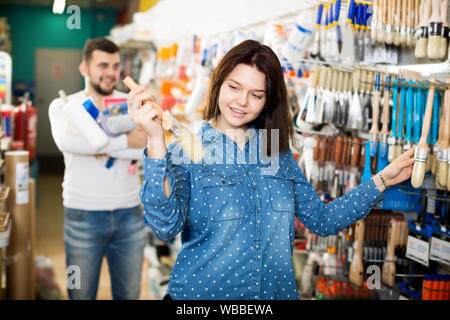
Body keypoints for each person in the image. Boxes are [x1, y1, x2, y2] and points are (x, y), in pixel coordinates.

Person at [127, 40, 415, 300]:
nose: (241, 101)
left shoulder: (275, 151)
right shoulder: (183, 152)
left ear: (267, 101)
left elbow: (321, 219)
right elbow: (164, 226)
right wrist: (154, 138)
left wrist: (381, 181)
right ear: (218, 84)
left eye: (256, 94)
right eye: (234, 87)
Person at [49, 38, 148, 300]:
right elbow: (68, 143)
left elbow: (146, 147)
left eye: (115, 66)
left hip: (130, 216)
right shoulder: (63, 107)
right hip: (82, 216)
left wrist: (96, 145)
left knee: (129, 295)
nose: (110, 73)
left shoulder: (133, 104)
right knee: (79, 294)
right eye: (102, 65)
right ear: (84, 69)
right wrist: (126, 140)